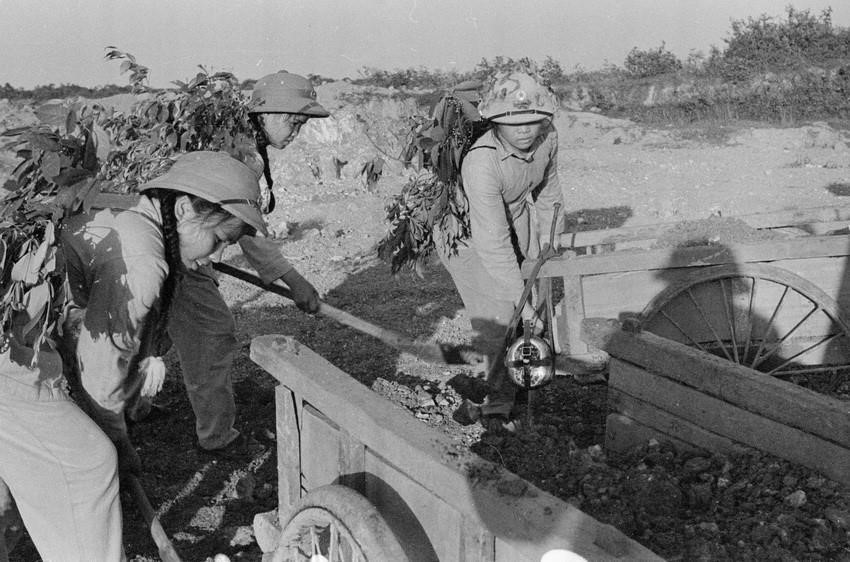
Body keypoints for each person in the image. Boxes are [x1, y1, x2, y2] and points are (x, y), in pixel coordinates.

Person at [0, 150, 264, 561]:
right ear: (182, 208)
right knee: (88, 464)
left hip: (16, 335)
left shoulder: (129, 209)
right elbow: (101, 370)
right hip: (10, 351)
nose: (212, 257)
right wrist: (118, 440)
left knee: (25, 463)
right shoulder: (144, 262)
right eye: (218, 240)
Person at [161, 71, 330, 457]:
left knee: (156, 330)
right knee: (212, 333)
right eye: (293, 121)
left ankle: (134, 407)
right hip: (181, 249)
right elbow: (246, 229)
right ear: (264, 113)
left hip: (184, 241)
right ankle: (218, 438)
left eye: (302, 124)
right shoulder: (240, 153)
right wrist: (295, 281)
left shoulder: (242, 140)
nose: (296, 131)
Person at [440, 70, 565, 431]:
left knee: (534, 293)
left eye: (534, 121)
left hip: (513, 214)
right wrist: (521, 304)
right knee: (500, 311)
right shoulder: (482, 162)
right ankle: (498, 404)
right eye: (514, 123)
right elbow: (492, 244)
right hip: (466, 233)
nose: (526, 130)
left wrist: (550, 241)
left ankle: (528, 371)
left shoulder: (548, 139)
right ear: (495, 122)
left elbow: (550, 194)